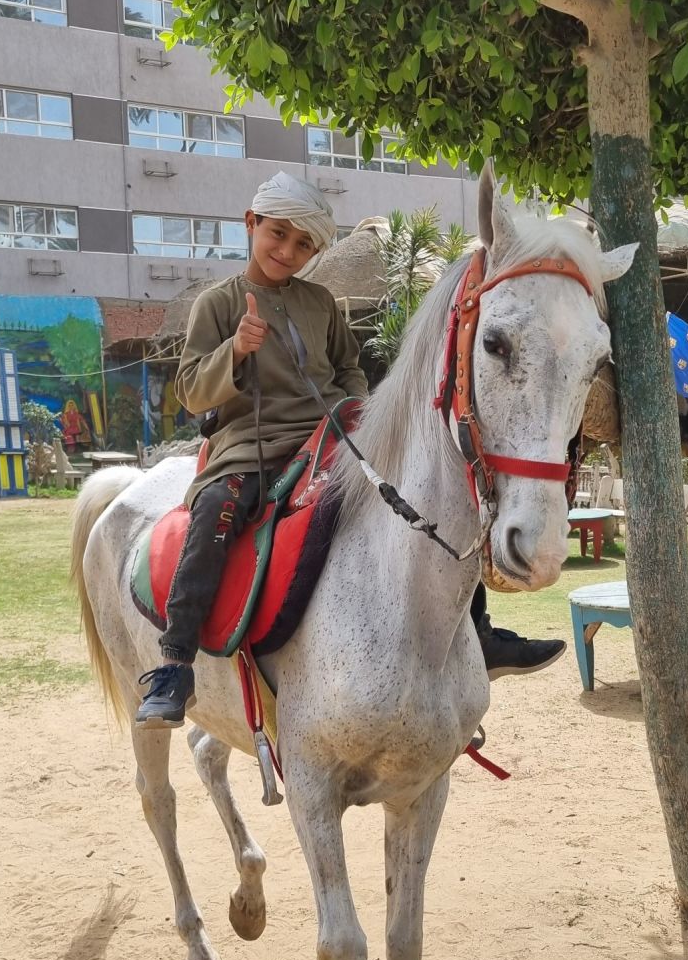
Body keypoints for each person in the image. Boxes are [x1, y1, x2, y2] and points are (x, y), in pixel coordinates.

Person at [136, 172, 564, 727]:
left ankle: (477, 631)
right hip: (248, 449)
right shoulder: (216, 305)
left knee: (429, 498)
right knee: (215, 513)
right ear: (251, 224)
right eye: (279, 235)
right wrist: (236, 351)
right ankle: (174, 664)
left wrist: (367, 416)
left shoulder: (320, 303)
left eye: (304, 244)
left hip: (330, 440)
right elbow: (192, 390)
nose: (288, 251)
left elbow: (348, 371)